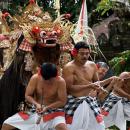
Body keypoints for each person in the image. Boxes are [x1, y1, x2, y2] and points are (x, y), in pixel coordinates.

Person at [2, 62, 69, 130]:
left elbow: (62, 101)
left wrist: (47, 107)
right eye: (45, 79)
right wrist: (36, 104)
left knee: (62, 127)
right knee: (6, 124)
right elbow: (27, 95)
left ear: (56, 76)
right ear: (40, 74)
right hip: (35, 110)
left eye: (50, 80)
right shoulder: (35, 78)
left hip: (54, 111)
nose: (47, 82)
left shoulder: (61, 82)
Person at [62, 41, 106, 130]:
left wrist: (100, 89)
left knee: (99, 127)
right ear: (74, 53)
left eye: (87, 53)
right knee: (72, 127)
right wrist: (89, 86)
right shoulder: (69, 67)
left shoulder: (92, 65)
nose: (85, 56)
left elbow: (96, 82)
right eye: (82, 54)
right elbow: (69, 88)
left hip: (90, 101)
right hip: (74, 102)